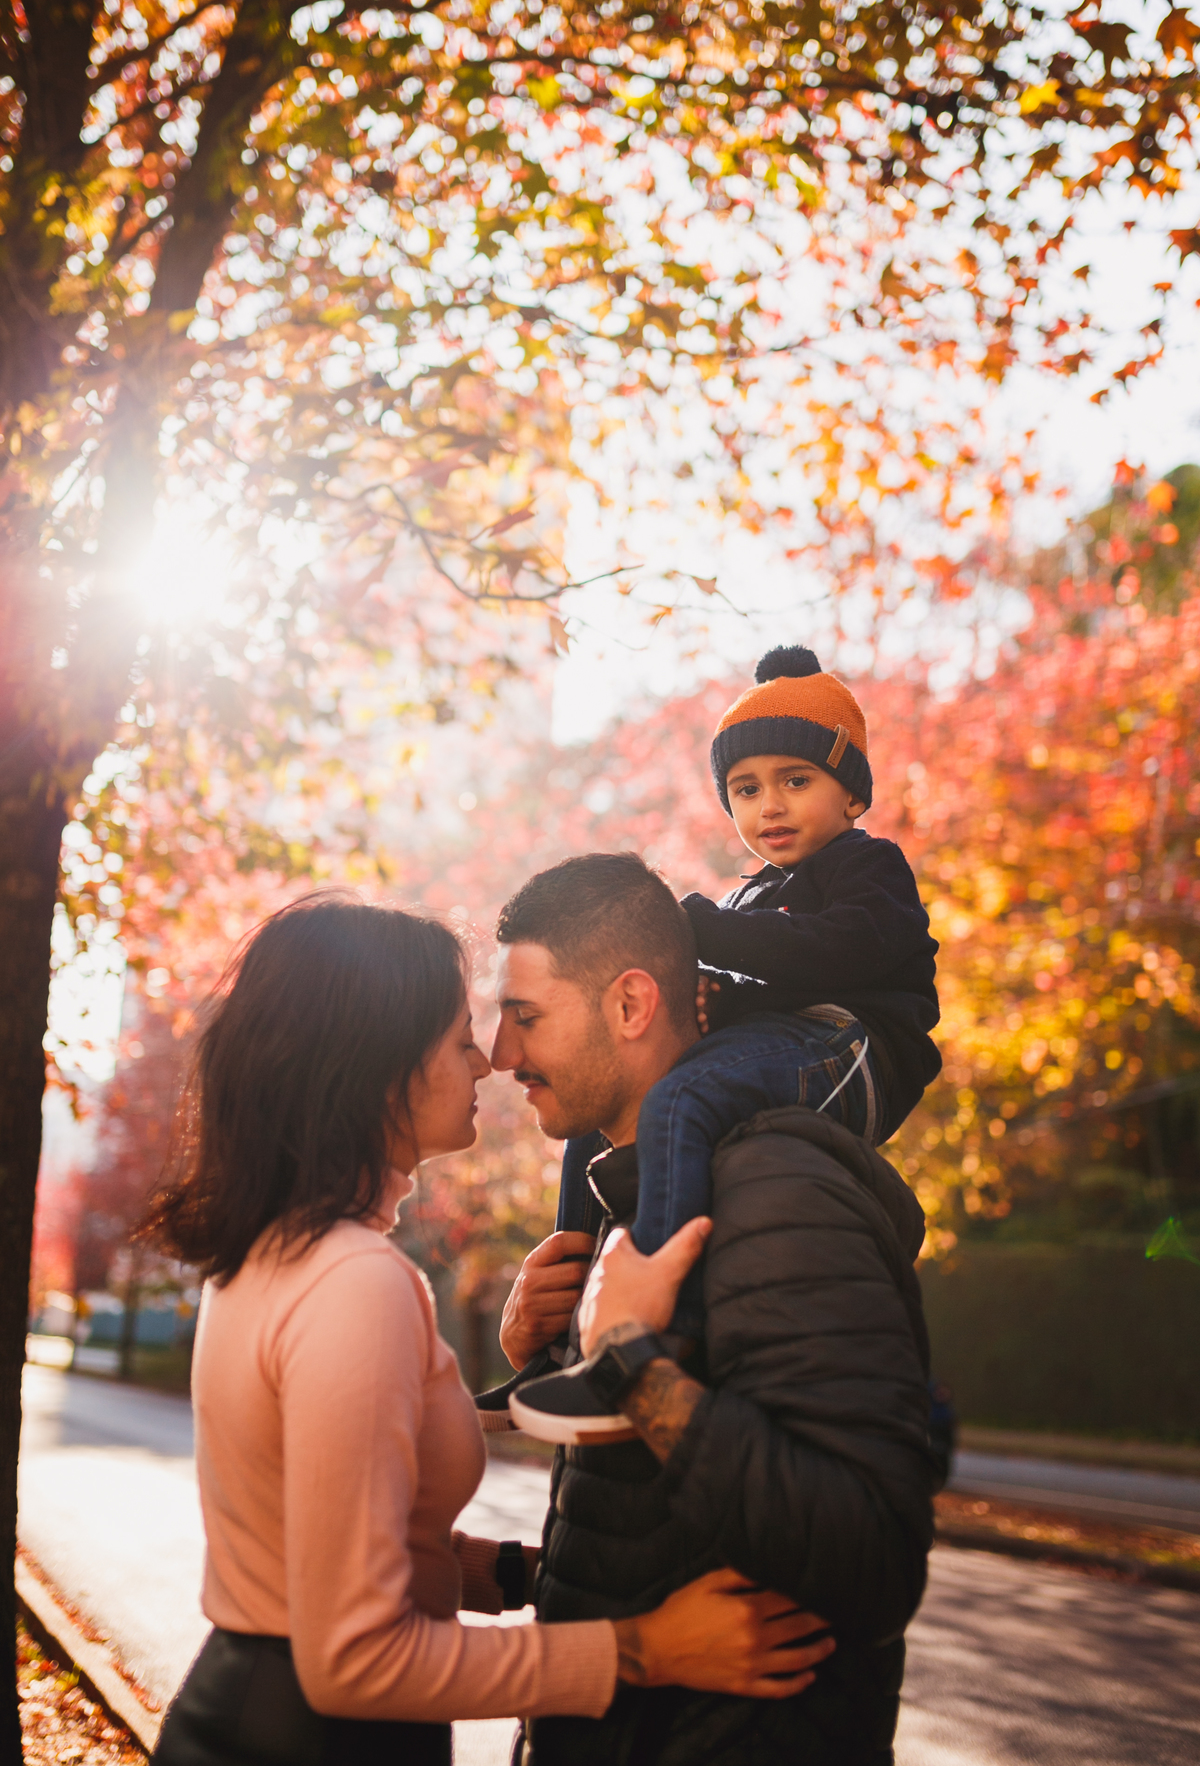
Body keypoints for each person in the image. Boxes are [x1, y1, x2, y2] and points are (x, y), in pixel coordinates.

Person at [141, 891, 836, 1766]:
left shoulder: (277, 1249)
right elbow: (356, 1659)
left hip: (258, 1712)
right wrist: (642, 1650)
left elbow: (335, 1530)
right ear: (378, 1065)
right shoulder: (356, 1284)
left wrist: (521, 1575)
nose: (487, 1062)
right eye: (461, 1037)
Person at [490, 854, 936, 1765]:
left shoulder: (777, 1188)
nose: (500, 1055)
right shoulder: (628, 1197)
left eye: (524, 1017)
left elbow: (873, 1558)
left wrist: (627, 1366)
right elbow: (635, 1534)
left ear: (629, 1005)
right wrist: (554, 1349)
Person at [509, 644, 940, 1421]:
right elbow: (751, 978)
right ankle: (559, 1344)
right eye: (746, 789)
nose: (768, 806)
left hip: (856, 1045)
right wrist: (708, 996)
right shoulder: (749, 898)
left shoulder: (866, 866)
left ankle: (643, 1340)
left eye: (795, 781)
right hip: (789, 1040)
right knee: (601, 1114)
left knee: (685, 1094)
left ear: (851, 795)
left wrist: (706, 937)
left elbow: (846, 950)